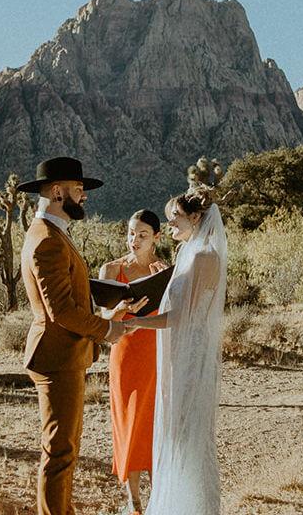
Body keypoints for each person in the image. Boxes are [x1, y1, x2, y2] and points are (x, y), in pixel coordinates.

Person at [17, 156, 131, 515]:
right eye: (79, 188)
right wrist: (107, 329)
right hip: (57, 358)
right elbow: (62, 312)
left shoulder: (51, 233)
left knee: (64, 449)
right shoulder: (47, 240)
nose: (84, 195)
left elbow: (67, 303)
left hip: (63, 356)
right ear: (57, 191)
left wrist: (106, 314)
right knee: (59, 453)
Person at [122, 186, 227, 515]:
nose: (169, 225)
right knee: (176, 434)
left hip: (190, 357)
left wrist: (137, 322)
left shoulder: (204, 257)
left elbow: (181, 317)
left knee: (189, 436)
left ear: (195, 218)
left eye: (175, 217)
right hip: (176, 355)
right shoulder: (189, 254)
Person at [98, 210, 169, 515]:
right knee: (129, 423)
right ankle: (135, 501)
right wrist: (120, 310)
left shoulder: (165, 271)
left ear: (156, 238)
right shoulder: (112, 269)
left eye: (142, 235)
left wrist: (169, 280)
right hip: (125, 354)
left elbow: (176, 314)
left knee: (154, 423)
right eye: (130, 233)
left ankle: (160, 497)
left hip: (157, 353)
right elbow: (102, 317)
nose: (134, 240)